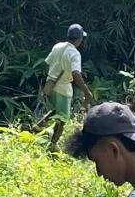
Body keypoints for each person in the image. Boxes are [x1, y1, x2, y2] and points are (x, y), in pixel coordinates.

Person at [37, 23, 94, 151]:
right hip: (63, 88)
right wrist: (86, 91)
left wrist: (51, 76)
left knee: (55, 111)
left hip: (50, 85)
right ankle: (52, 146)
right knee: (62, 119)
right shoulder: (74, 53)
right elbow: (76, 74)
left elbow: (46, 64)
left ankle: (39, 125)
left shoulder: (58, 46)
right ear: (79, 39)